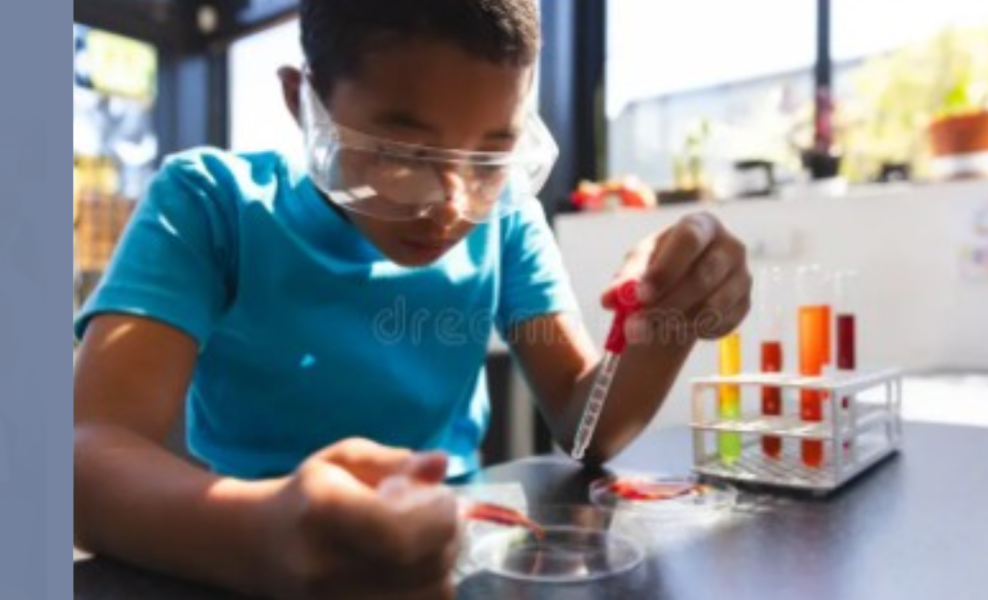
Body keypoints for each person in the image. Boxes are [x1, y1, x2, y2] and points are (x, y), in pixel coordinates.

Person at [72, 1, 752, 599]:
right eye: (402, 155)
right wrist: (260, 534)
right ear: (302, 101)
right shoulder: (213, 205)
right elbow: (83, 451)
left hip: (460, 550)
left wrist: (667, 319)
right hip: (239, 550)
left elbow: (586, 423)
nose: (451, 206)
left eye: (491, 159)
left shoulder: (506, 218)